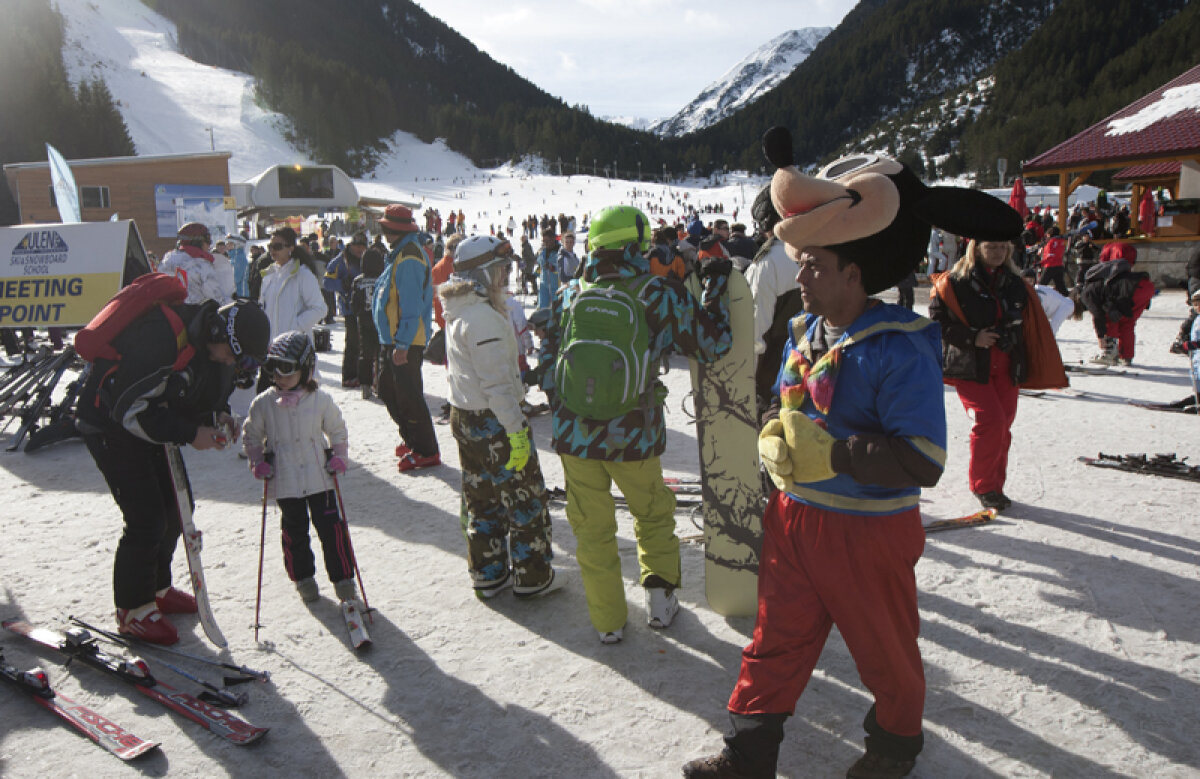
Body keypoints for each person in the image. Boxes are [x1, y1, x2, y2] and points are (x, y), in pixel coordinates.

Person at [685, 129, 1020, 779]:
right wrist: (775, 440)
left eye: (813, 263)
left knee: (886, 653)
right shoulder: (802, 332)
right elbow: (791, 407)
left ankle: (891, 754)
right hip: (795, 520)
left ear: (853, 272)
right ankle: (748, 753)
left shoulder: (902, 344)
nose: (799, 272)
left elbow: (922, 459)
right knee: (773, 642)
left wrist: (834, 455)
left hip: (867, 532)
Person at [539, 205, 732, 644]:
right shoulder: (658, 292)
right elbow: (714, 343)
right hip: (635, 434)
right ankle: (661, 604)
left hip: (574, 435)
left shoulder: (571, 292)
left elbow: (548, 365)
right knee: (651, 513)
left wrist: (570, 410)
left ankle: (608, 622)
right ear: (636, 245)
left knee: (590, 526)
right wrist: (715, 286)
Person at [76, 296, 271, 644]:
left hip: (148, 422)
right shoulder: (162, 339)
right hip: (109, 423)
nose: (232, 362)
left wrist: (216, 417)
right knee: (146, 517)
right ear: (218, 332)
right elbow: (130, 409)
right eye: (233, 354)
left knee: (177, 509)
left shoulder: (213, 347)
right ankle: (133, 609)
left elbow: (192, 393)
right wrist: (191, 434)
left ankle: (157, 587)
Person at [438, 235, 557, 598]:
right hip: (495, 422)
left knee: (483, 499)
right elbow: (498, 387)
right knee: (524, 499)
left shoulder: (461, 311)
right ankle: (533, 576)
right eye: (501, 270)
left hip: (467, 417)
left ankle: (488, 572)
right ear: (483, 273)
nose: (506, 277)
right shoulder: (482, 318)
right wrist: (517, 432)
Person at [242, 331, 357, 603]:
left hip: (320, 478)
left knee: (331, 529)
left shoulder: (320, 400)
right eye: (274, 370)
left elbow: (337, 429)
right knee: (294, 532)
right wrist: (258, 461)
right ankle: (303, 577)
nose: (279, 377)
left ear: (305, 369)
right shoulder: (264, 404)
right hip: (286, 482)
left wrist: (338, 455)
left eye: (287, 370)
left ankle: (343, 578)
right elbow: (251, 435)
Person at [930, 240, 1029, 511]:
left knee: (1003, 425)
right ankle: (983, 485)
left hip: (1008, 363)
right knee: (990, 422)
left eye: (1003, 248)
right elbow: (937, 323)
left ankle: (996, 485)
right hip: (971, 365)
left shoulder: (1015, 282)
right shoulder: (953, 283)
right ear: (976, 248)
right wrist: (973, 337)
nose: (998, 252)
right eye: (991, 247)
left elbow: (1029, 322)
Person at [371, 204, 441, 472]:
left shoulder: (409, 257)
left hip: (405, 340)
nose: (383, 232)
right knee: (390, 391)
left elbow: (411, 304)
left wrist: (402, 343)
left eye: (385, 227)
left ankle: (426, 449)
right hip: (394, 338)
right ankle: (413, 440)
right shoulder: (401, 253)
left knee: (408, 395)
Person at [257, 227, 327, 393]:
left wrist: (294, 327)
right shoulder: (269, 275)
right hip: (271, 350)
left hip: (294, 350)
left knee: (296, 400)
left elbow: (320, 308)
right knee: (269, 399)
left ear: (291, 248)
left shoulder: (303, 275)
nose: (273, 250)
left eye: (278, 246)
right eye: (270, 246)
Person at [1078, 250, 1155, 366]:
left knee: (1110, 317)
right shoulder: (1107, 281)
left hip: (1132, 289)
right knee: (1127, 321)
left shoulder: (1088, 292)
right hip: (1145, 286)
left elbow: (1098, 315)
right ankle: (1126, 356)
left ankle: (1109, 353)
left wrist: (1101, 337)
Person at [324, 232, 368, 387]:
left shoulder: (368, 259)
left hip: (368, 308)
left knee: (367, 344)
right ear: (351, 245)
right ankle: (349, 376)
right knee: (353, 342)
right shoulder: (340, 261)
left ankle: (366, 376)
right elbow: (327, 283)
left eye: (363, 247)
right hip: (350, 309)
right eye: (357, 246)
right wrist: (342, 284)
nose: (360, 250)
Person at [158, 222, 235, 305]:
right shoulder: (201, 266)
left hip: (173, 313)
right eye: (207, 240)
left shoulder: (166, 263)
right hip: (196, 313)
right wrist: (232, 303)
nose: (209, 245)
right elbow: (216, 297)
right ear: (197, 241)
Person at [349, 246, 386, 399]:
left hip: (364, 322)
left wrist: (359, 313)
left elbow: (353, 303)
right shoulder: (384, 279)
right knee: (382, 354)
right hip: (382, 322)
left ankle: (365, 385)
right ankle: (381, 384)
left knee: (366, 355)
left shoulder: (358, 281)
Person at [534, 228, 560, 310]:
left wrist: (554, 268)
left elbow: (565, 269)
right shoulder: (542, 252)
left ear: (553, 239)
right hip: (544, 285)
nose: (545, 243)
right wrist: (534, 274)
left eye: (547, 241)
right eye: (543, 241)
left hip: (556, 286)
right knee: (542, 308)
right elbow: (540, 266)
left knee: (556, 309)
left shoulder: (560, 252)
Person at [1038, 226, 1069, 296]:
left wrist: (1040, 263)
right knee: (1060, 286)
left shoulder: (1051, 242)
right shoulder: (1061, 242)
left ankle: (1036, 301)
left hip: (1050, 266)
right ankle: (1070, 300)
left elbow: (1050, 256)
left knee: (1041, 285)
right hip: (1059, 265)